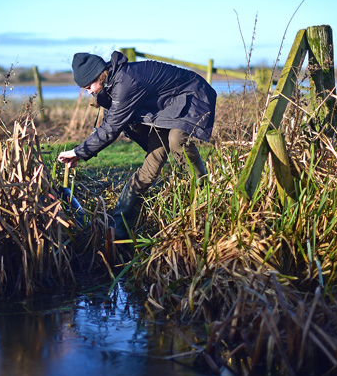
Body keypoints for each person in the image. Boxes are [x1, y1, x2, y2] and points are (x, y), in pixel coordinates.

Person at [58, 50, 217, 237]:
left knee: (177, 141)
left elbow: (111, 128)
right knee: (152, 163)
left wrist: (79, 151)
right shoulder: (109, 86)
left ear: (98, 74)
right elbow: (113, 123)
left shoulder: (126, 81)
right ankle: (119, 225)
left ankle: (205, 190)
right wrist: (82, 152)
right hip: (164, 109)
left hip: (191, 95)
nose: (90, 92)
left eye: (89, 87)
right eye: (85, 89)